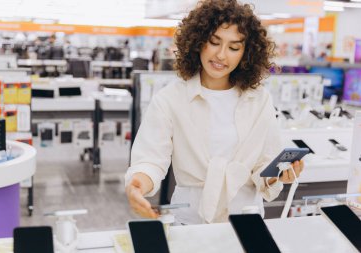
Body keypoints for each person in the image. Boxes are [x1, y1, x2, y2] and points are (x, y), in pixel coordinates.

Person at [125, 0, 304, 224]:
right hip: (191, 220)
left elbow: (264, 165)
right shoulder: (170, 99)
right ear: (198, 42)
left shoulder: (258, 99)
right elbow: (151, 160)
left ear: (246, 54)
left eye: (234, 47)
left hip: (247, 220)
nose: (221, 55)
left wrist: (278, 175)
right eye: (214, 42)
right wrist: (137, 185)